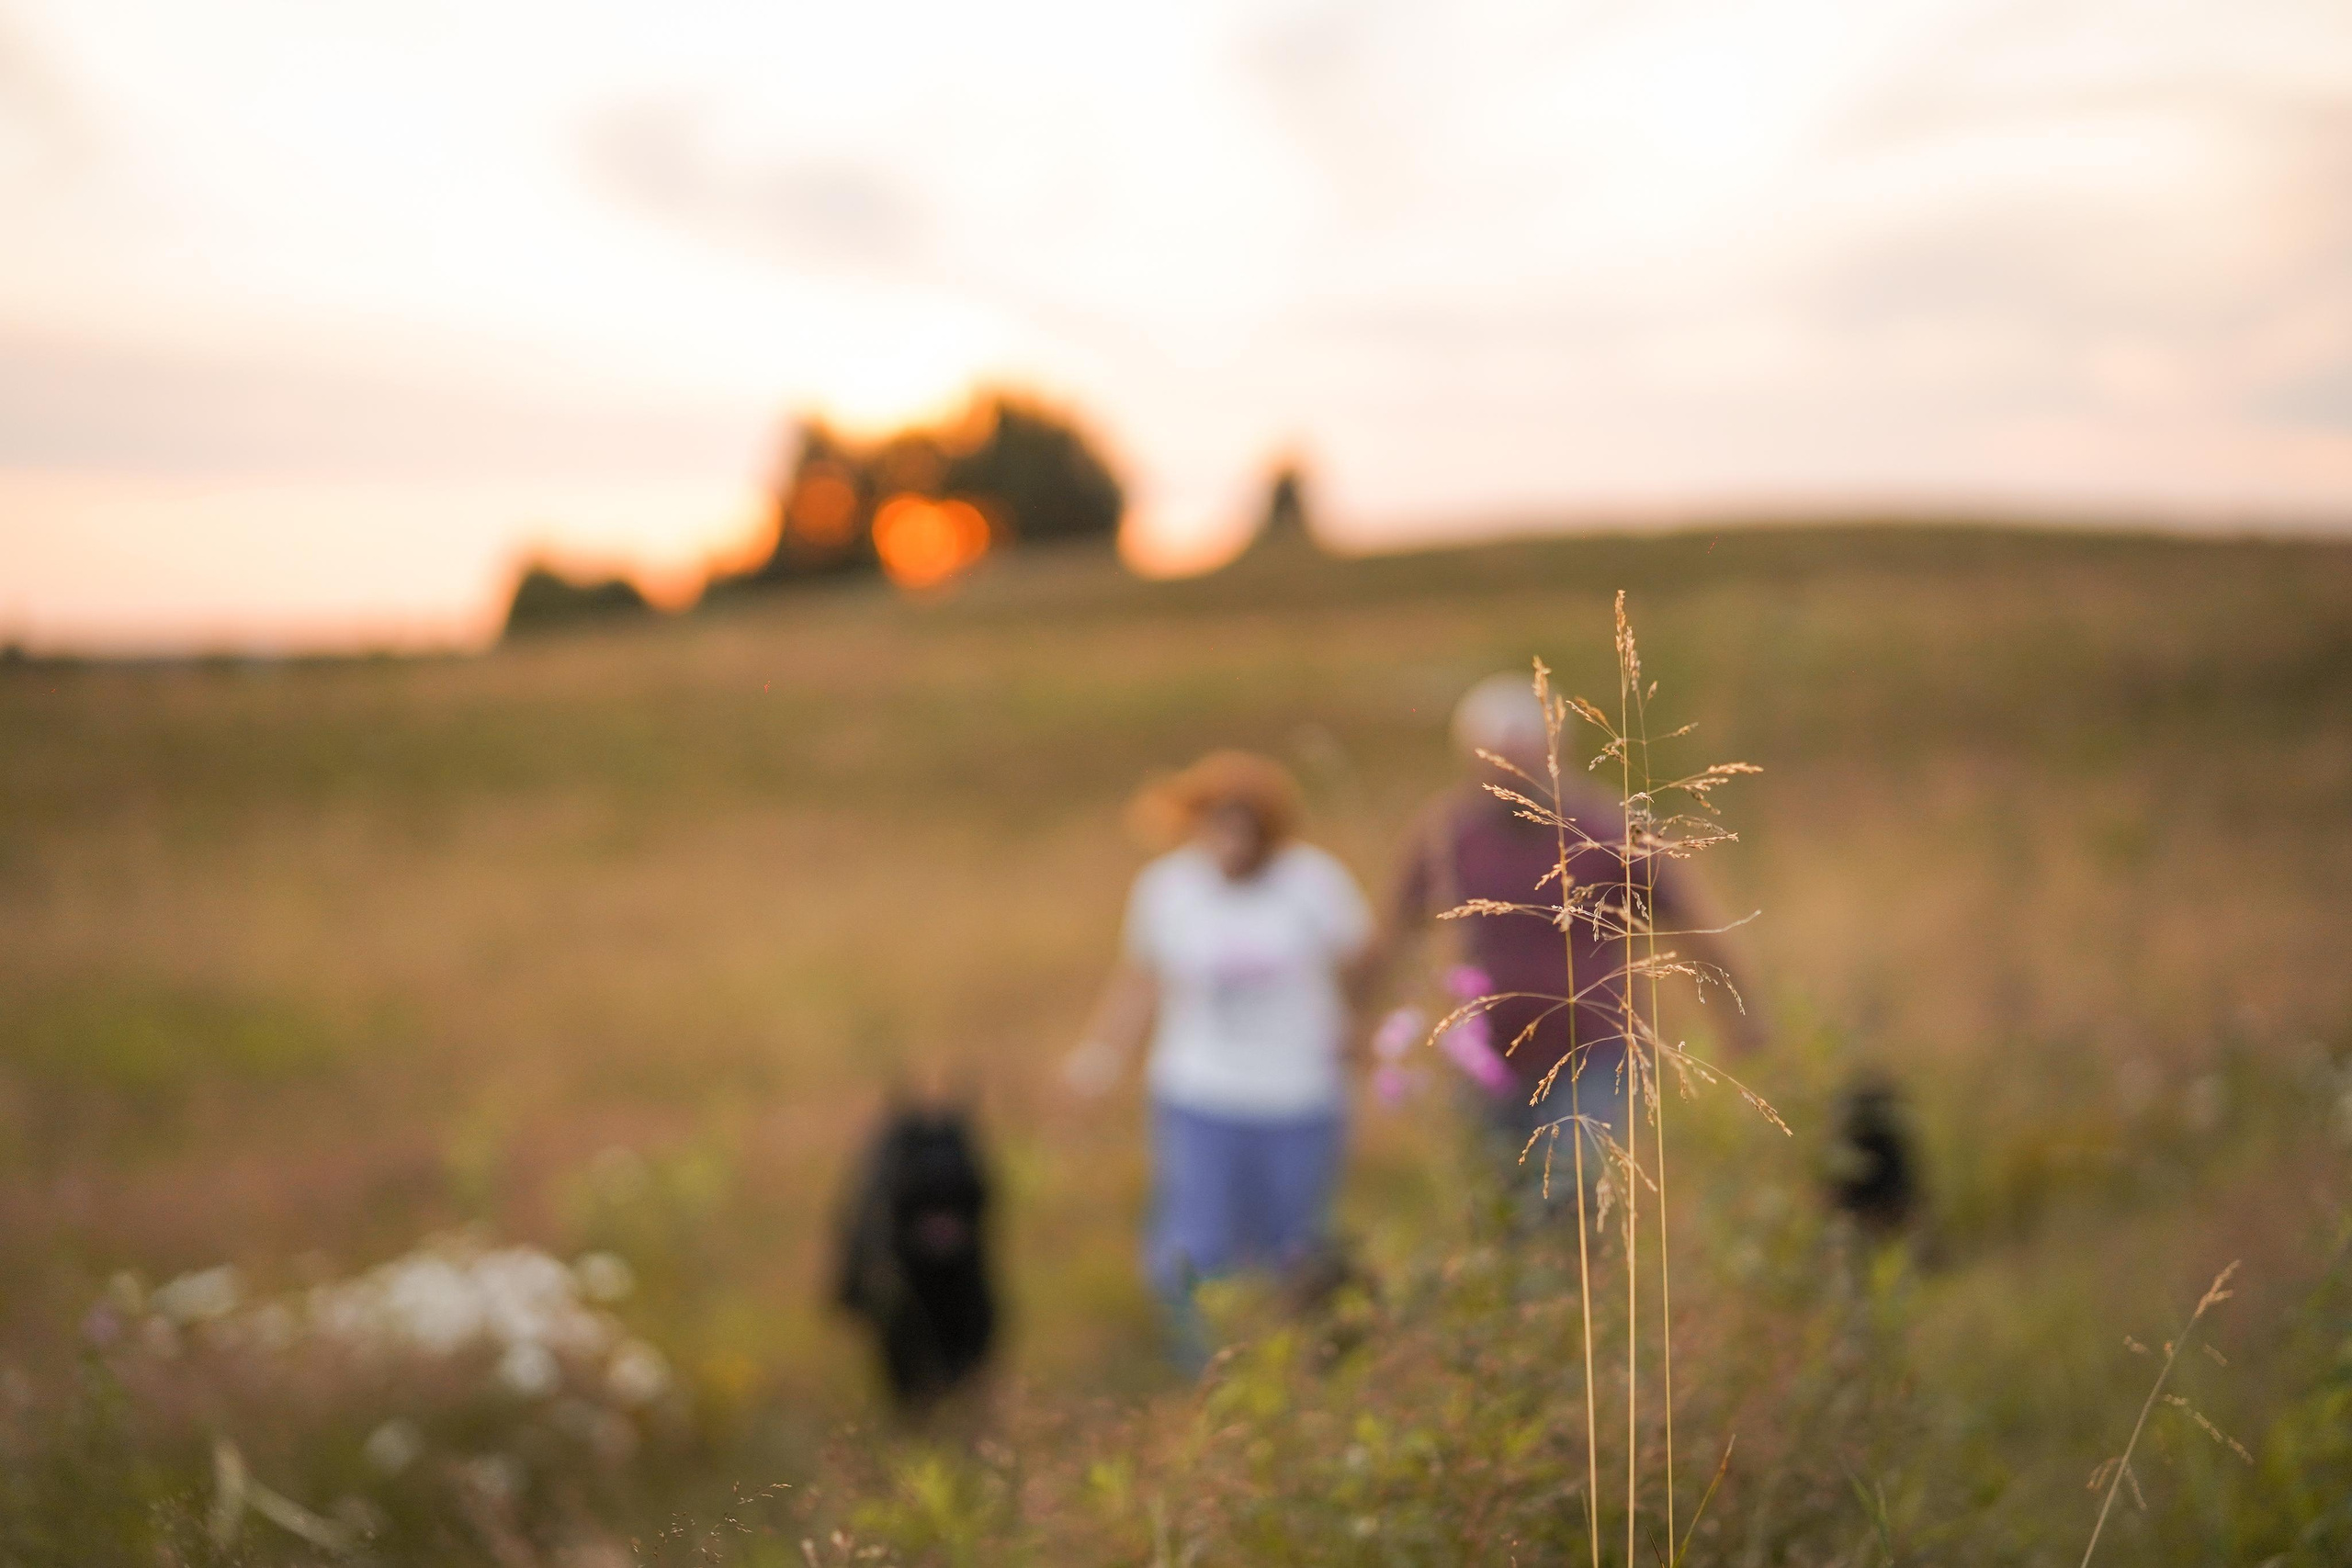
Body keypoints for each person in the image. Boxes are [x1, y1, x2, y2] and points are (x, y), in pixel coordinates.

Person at [1372, 673, 1765, 1210]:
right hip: (1484, 1063)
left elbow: (1697, 927)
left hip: (1593, 1053)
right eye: (1496, 757)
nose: (1512, 770)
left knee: (1571, 1197)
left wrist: (1743, 1023)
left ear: (1556, 751)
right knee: (1495, 1208)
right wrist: (1361, 1022)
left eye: (1525, 755)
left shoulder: (1608, 829)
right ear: (1471, 758)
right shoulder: (1447, 835)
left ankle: (1583, 1289)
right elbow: (1395, 932)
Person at [1064, 750, 1373, 1370]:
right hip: (1199, 1092)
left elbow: (1363, 962)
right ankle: (1206, 1372)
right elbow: (1141, 979)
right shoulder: (1167, 888)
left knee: (1297, 1247)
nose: (1232, 843)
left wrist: (1358, 1033)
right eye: (1218, 825)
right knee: (1196, 1248)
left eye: (1247, 828)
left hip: (1299, 1096)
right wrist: (1103, 1052)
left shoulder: (1314, 883)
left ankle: (1302, 1371)